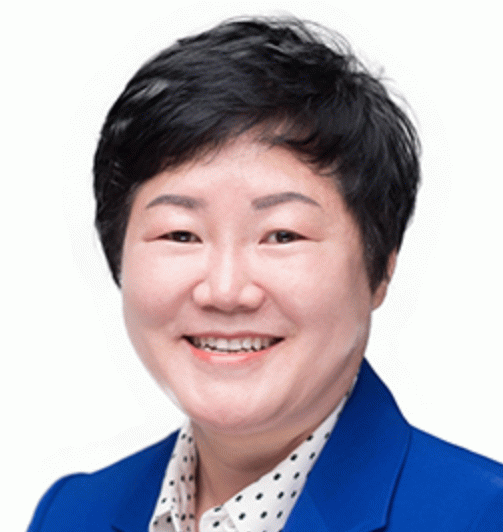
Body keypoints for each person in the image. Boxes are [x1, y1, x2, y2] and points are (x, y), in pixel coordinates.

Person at [27, 16, 503, 532]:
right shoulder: (73, 513)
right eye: (181, 234)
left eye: (281, 235)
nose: (225, 290)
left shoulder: (481, 516)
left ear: (382, 266)